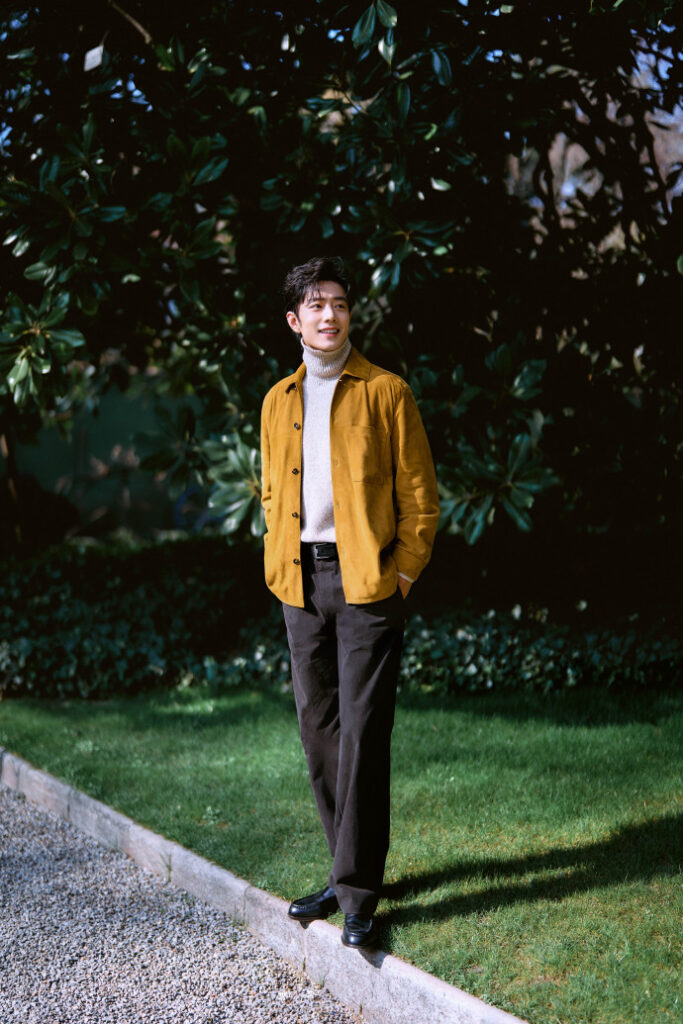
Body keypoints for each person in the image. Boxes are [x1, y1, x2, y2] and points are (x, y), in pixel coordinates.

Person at [260, 255, 439, 949]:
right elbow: (272, 490)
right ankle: (344, 874)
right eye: (315, 304)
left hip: (368, 582)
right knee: (318, 731)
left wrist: (403, 574)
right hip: (298, 583)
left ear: (350, 313)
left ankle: (359, 894)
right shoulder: (277, 400)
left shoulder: (387, 392)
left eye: (337, 302)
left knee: (362, 734)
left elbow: (420, 496)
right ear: (294, 320)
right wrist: (277, 555)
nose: (328, 314)